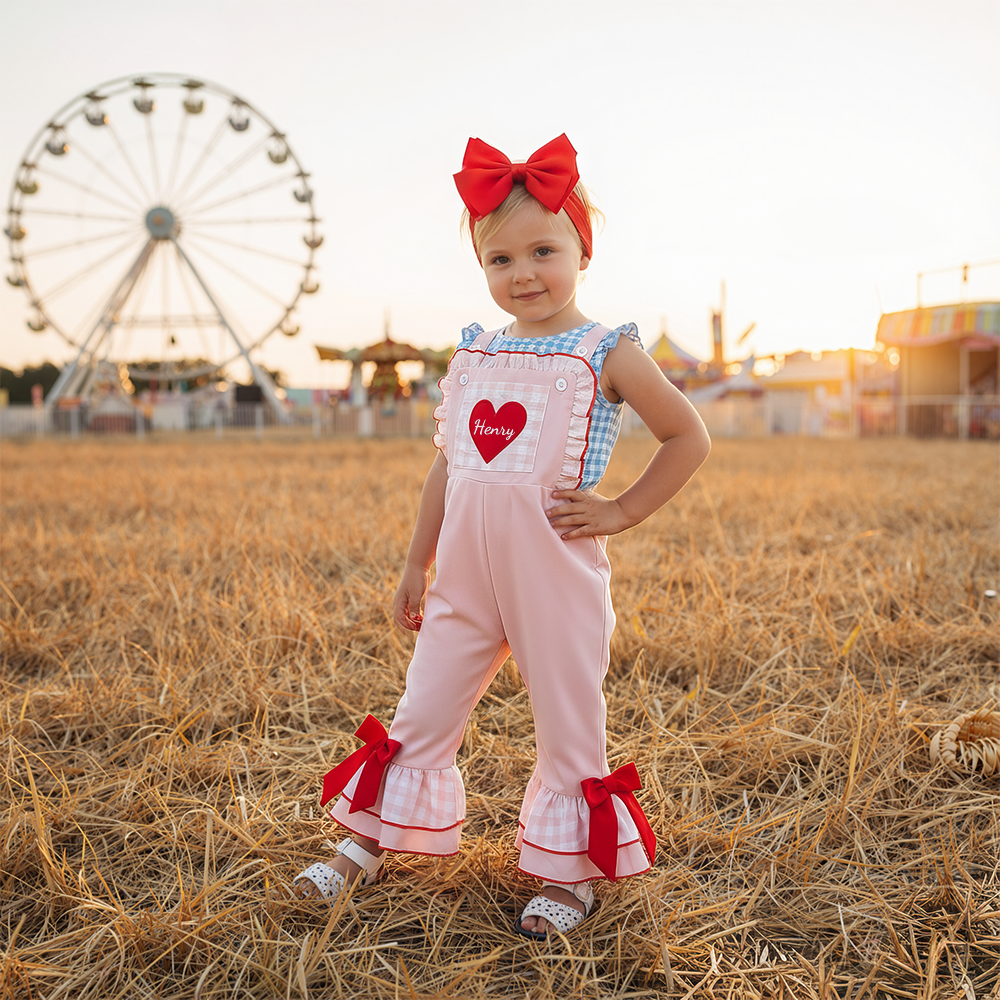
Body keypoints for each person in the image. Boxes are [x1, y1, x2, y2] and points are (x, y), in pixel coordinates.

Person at [294, 134, 711, 938]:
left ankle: (570, 876)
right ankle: (365, 843)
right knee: (424, 702)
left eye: (544, 250)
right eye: (500, 259)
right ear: (482, 266)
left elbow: (687, 436)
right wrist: (418, 559)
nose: (523, 274)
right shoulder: (478, 351)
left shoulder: (608, 351)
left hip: (552, 572)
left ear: (583, 249)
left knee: (566, 716)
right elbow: (449, 467)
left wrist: (621, 511)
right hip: (465, 574)